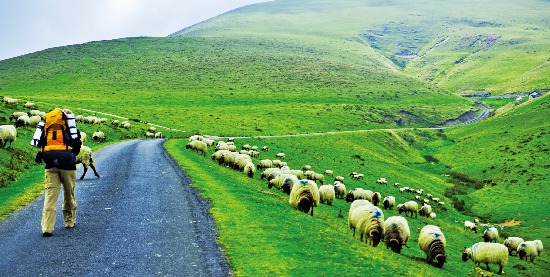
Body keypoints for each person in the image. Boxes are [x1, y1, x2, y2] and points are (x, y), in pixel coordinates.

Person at [35, 108, 82, 237]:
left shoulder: (47, 129)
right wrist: (70, 155)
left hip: (50, 165)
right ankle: (69, 221)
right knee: (69, 193)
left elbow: (40, 145)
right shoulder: (71, 130)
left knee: (50, 195)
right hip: (68, 167)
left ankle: (47, 228)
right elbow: (78, 145)